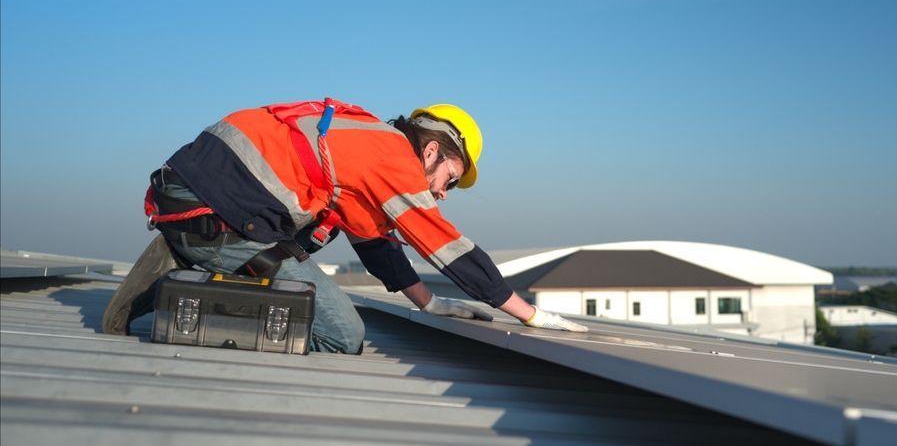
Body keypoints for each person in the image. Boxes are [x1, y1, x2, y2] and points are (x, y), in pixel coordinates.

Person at [102, 98, 587, 353]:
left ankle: (184, 251)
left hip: (192, 196)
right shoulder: (395, 158)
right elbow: (445, 245)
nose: (442, 192)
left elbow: (375, 242)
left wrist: (431, 301)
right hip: (216, 214)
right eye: (450, 181)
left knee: (302, 245)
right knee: (342, 335)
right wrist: (529, 314)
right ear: (434, 150)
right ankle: (182, 299)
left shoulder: (366, 143)